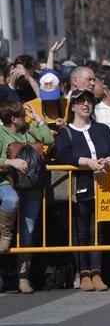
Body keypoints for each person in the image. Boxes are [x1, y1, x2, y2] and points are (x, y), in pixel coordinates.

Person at [54, 89, 110, 291]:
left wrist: (108, 159)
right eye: (81, 102)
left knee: (97, 230)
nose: (85, 105)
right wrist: (87, 162)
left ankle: (97, 272)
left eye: (89, 101)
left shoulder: (102, 129)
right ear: (73, 106)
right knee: (80, 230)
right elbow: (63, 155)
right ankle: (84, 273)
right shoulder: (66, 132)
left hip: (103, 186)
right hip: (80, 184)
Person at [0, 100, 54, 293]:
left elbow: (49, 140)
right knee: (11, 200)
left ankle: (23, 277)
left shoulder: (28, 129)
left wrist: (39, 120)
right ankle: (5, 234)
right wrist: (11, 162)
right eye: (23, 115)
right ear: (13, 119)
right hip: (7, 183)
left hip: (32, 186)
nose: (26, 118)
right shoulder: (1, 133)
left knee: (28, 232)